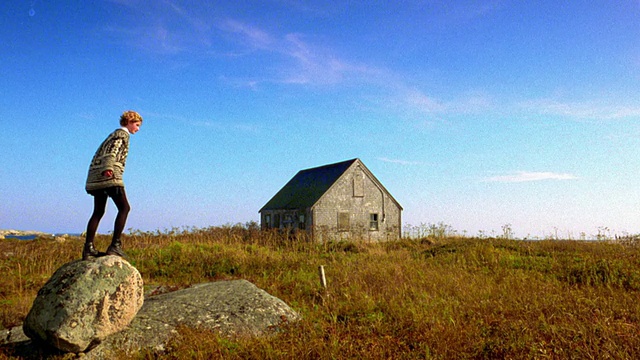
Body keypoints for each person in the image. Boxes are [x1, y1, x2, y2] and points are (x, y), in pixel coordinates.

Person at [82, 110, 142, 260]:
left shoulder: (112, 135)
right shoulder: (122, 135)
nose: (138, 128)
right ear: (128, 122)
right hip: (110, 176)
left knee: (98, 211)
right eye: (136, 124)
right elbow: (112, 151)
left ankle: (88, 248)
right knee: (125, 208)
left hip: (97, 177)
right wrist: (109, 168)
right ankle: (115, 245)